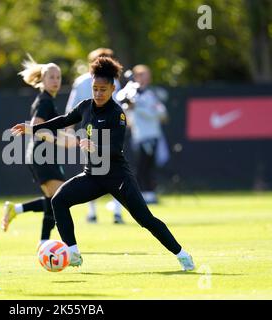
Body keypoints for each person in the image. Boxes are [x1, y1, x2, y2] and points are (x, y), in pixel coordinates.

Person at [11, 56, 195, 271]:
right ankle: (73, 252)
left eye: (103, 90)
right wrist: (32, 129)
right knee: (59, 200)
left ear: (113, 88)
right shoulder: (86, 106)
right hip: (93, 176)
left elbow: (116, 149)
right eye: (95, 89)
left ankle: (182, 255)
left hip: (117, 178)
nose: (98, 94)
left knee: (145, 219)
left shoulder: (117, 114)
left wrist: (95, 147)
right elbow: (62, 121)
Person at [1, 56, 77, 248]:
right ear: (42, 80)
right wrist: (61, 140)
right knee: (59, 200)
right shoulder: (45, 101)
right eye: (51, 76)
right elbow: (36, 127)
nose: (56, 80)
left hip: (43, 156)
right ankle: (46, 242)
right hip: (41, 156)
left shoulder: (48, 100)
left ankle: (21, 215)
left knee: (53, 200)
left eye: (58, 77)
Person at [65, 48, 124, 224]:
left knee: (105, 171)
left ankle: (112, 212)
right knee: (95, 172)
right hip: (91, 133)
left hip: (105, 132)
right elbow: (73, 109)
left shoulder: (113, 82)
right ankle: (100, 212)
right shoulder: (83, 82)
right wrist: (68, 130)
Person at [125, 65, 169, 204]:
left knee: (149, 166)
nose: (147, 78)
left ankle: (149, 194)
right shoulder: (130, 95)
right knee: (141, 166)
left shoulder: (150, 95)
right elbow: (127, 116)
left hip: (153, 135)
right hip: (140, 136)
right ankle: (142, 195)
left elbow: (162, 114)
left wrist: (141, 109)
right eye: (143, 75)